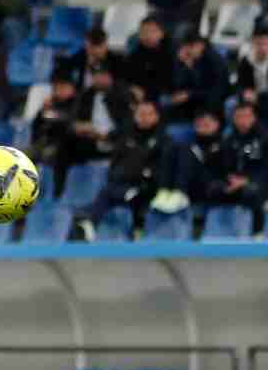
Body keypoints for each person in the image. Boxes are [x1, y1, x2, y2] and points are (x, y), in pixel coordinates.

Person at [81, 99, 168, 239]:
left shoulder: (164, 140)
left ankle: (93, 221)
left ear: (156, 116)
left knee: (118, 194)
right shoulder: (126, 136)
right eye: (141, 114)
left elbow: (159, 170)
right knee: (109, 190)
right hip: (124, 184)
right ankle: (89, 225)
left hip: (147, 187)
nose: (144, 118)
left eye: (148, 114)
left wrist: (141, 173)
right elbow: (116, 164)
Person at [204, 101, 268, 218]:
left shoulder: (265, 139)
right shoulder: (229, 139)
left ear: (254, 117)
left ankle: (256, 230)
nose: (242, 120)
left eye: (246, 116)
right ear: (233, 119)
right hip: (235, 181)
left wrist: (246, 180)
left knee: (250, 191)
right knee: (213, 188)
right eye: (238, 116)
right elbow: (224, 165)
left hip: (261, 183)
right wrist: (229, 179)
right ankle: (219, 228)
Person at [149, 105, 220, 215]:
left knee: (184, 150)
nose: (202, 127)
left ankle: (179, 192)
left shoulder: (223, 144)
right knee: (172, 148)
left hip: (209, 184)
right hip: (189, 183)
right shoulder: (190, 143)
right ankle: (164, 191)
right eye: (199, 124)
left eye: (206, 124)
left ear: (216, 125)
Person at [165, 31, 228, 123]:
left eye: (190, 47)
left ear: (200, 45)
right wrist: (181, 65)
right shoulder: (185, 59)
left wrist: (190, 94)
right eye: (184, 47)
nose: (187, 51)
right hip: (189, 98)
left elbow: (214, 89)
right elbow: (175, 84)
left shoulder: (214, 60)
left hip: (210, 101)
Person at [125, 15, 176, 105]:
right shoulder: (135, 53)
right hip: (138, 95)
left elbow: (168, 83)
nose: (147, 35)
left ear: (161, 33)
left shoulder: (171, 53)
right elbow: (127, 76)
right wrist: (132, 87)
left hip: (162, 95)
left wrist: (145, 94)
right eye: (143, 32)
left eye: (152, 31)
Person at [57, 27, 127, 90]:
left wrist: (111, 81)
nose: (95, 51)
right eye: (90, 48)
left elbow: (124, 81)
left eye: (98, 47)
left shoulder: (116, 60)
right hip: (83, 98)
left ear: (105, 45)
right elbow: (62, 76)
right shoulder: (77, 58)